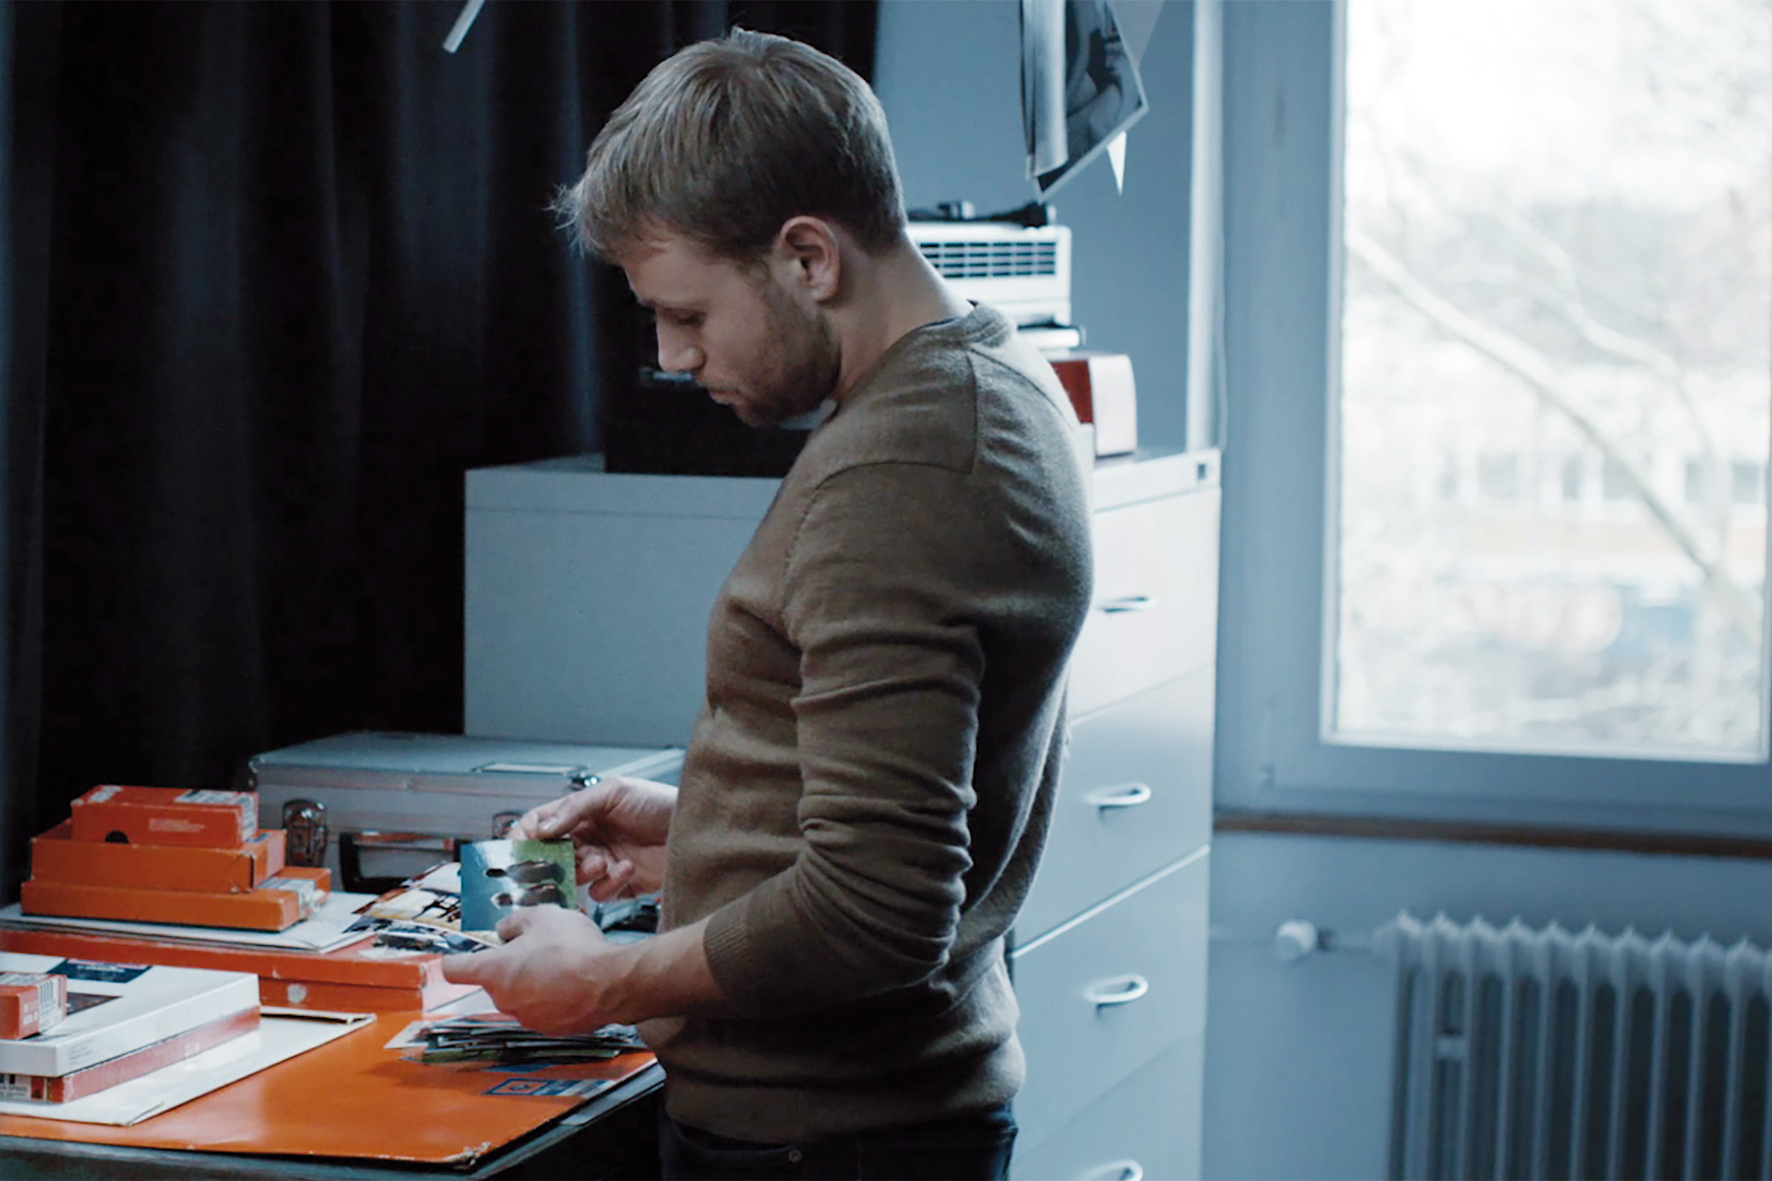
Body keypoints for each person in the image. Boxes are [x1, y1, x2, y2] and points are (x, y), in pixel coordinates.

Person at [441, 28, 1093, 1181]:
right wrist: (697, 827)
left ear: (806, 257)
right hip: (864, 1126)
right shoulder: (984, 379)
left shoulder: (903, 463)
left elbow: (875, 910)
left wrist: (601, 979)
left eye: (689, 314)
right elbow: (902, 786)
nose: (671, 356)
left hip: (829, 1142)